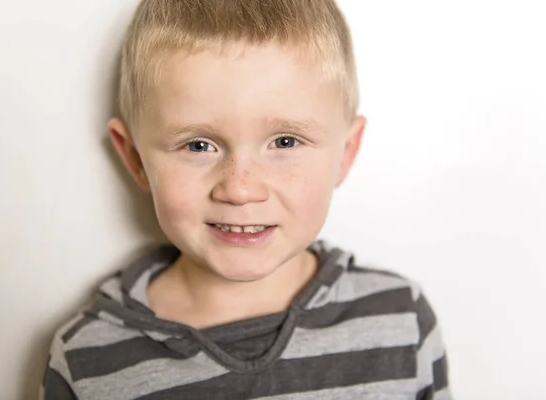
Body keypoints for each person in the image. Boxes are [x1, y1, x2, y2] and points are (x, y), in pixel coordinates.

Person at [41, 0, 452, 398]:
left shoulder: (401, 322)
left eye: (285, 141)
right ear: (135, 159)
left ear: (344, 154)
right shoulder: (86, 362)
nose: (240, 190)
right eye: (199, 146)